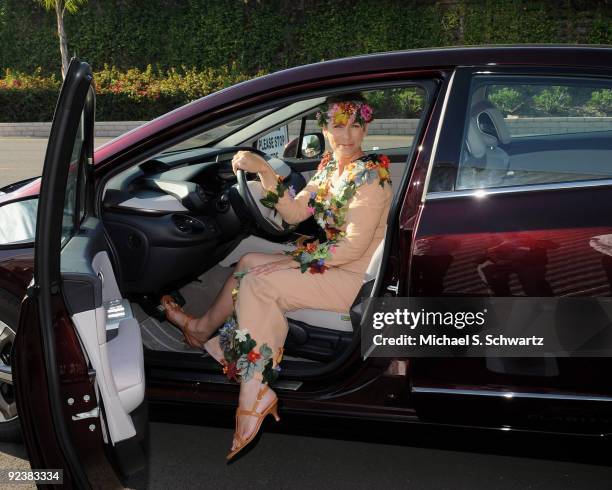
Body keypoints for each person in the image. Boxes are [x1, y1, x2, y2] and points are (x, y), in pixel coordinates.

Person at [160, 92, 393, 460]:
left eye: (356, 125)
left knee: (259, 279)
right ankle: (204, 331)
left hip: (353, 277)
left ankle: (255, 391)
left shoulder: (371, 175)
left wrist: (285, 264)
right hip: (332, 262)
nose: (348, 135)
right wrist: (266, 171)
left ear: (366, 126)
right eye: (338, 126)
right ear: (325, 129)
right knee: (250, 259)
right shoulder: (333, 167)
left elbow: (349, 249)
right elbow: (296, 213)